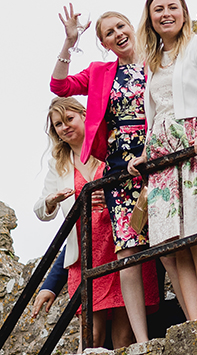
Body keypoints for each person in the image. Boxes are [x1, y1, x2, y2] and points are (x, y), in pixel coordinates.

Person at [49, 5, 161, 342]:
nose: (118, 34)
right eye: (109, 33)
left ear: (133, 26)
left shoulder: (157, 61)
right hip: (120, 168)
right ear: (104, 44)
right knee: (127, 250)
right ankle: (141, 341)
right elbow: (59, 85)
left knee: (171, 243)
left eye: (121, 26)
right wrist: (69, 43)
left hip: (160, 154)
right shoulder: (100, 72)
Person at [128, 0, 197, 320]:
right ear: (151, 19)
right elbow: (157, 110)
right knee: (176, 244)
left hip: (196, 141)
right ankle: (195, 321)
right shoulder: (152, 61)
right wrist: (146, 153)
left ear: (184, 12)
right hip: (161, 154)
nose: (165, 14)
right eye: (158, 9)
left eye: (172, 7)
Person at [35, 97, 135, 349]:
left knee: (124, 335)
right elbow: (40, 210)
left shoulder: (109, 147)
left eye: (69, 119)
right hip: (87, 252)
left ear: (83, 115)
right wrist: (51, 200)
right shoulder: (58, 164)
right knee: (92, 333)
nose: (64, 127)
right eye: (58, 124)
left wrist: (112, 191)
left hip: (121, 240)